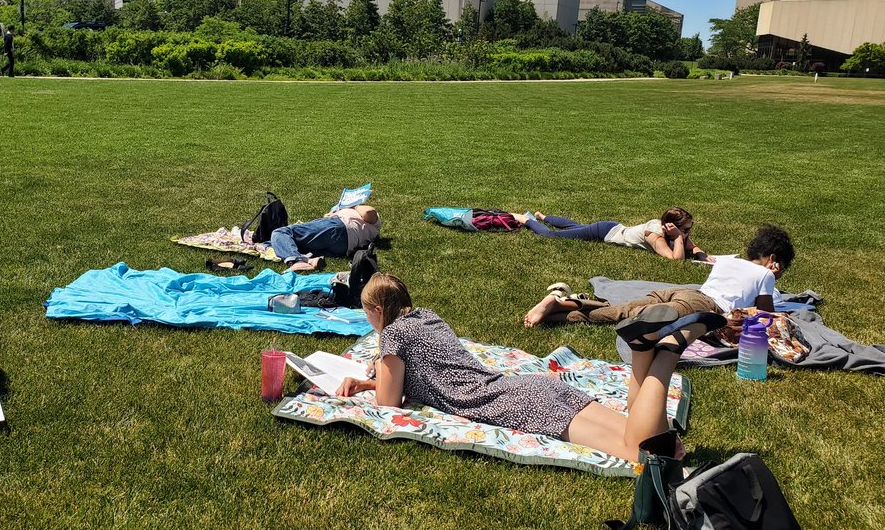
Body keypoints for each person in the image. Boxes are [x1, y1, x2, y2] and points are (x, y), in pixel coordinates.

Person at [336, 273, 704, 462]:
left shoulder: (393, 336)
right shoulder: (426, 317)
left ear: (378, 312)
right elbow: (411, 380)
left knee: (642, 452)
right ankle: (641, 349)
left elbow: (388, 404)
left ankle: (667, 352)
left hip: (515, 405)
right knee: (644, 436)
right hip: (534, 387)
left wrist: (374, 378)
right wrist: (367, 382)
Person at [523, 225, 794, 330]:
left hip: (684, 293)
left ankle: (559, 309)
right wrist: (771, 279)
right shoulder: (765, 275)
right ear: (773, 260)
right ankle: (558, 309)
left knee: (625, 308)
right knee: (623, 316)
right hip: (702, 307)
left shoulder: (727, 261)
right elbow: (765, 315)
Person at [511, 207, 712, 262]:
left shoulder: (678, 233)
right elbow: (675, 260)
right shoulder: (656, 236)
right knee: (552, 237)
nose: (688, 233)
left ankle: (544, 216)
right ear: (670, 227)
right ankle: (526, 219)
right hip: (604, 232)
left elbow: (690, 247)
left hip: (613, 227)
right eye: (685, 229)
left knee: (574, 228)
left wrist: (701, 254)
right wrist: (677, 238)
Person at [270, 205, 380, 272]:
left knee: (281, 232)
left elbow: (368, 212)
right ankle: (310, 261)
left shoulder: (362, 212)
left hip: (338, 227)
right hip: (343, 246)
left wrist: (353, 206)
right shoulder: (368, 230)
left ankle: (297, 261)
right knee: (294, 244)